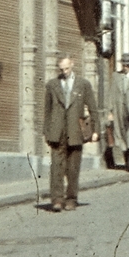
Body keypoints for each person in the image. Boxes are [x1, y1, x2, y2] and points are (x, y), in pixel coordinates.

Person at [43, 54, 99, 211]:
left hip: (75, 131)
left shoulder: (83, 84)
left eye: (67, 68)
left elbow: (93, 108)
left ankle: (71, 198)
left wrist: (95, 131)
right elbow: (47, 110)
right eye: (62, 69)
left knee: (73, 168)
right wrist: (46, 131)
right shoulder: (52, 85)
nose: (65, 72)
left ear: (72, 64)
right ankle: (57, 199)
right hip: (57, 131)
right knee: (56, 167)